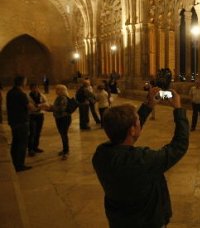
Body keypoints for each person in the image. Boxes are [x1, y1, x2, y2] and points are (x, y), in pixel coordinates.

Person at [92, 87, 189, 228]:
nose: (139, 121)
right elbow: (179, 146)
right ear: (132, 129)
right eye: (137, 120)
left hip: (119, 220)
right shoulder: (142, 160)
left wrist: (148, 106)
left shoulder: (100, 154)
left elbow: (123, 135)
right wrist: (178, 110)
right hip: (147, 221)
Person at [6, 75, 35, 172]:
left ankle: (14, 162)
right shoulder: (21, 94)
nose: (26, 83)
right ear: (22, 82)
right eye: (25, 81)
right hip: (22, 121)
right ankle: (20, 165)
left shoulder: (9, 92)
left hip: (13, 121)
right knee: (22, 143)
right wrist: (37, 107)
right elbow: (30, 107)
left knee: (15, 142)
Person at [48, 84, 72, 160]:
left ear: (60, 90)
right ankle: (64, 149)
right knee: (62, 134)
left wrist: (51, 107)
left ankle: (66, 151)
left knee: (64, 135)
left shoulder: (63, 98)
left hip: (64, 118)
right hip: (60, 118)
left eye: (57, 89)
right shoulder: (60, 97)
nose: (55, 91)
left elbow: (61, 109)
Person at [28, 83, 47, 156]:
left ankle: (36, 147)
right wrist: (38, 106)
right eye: (33, 88)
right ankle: (30, 149)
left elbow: (45, 103)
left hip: (40, 115)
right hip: (31, 115)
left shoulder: (42, 95)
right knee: (32, 133)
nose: (35, 89)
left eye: (36, 88)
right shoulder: (28, 96)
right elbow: (30, 106)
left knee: (38, 132)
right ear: (31, 89)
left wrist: (41, 105)